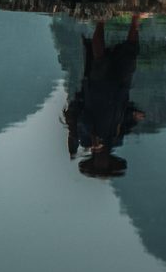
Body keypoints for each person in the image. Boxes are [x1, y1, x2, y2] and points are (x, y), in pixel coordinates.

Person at [62, 15, 146, 178]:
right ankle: (135, 20)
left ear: (94, 159)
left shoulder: (85, 140)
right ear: (109, 160)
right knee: (130, 55)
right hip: (119, 89)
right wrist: (134, 116)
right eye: (104, 163)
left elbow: (83, 118)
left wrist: (93, 134)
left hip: (97, 89)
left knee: (100, 59)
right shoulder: (116, 140)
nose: (102, 160)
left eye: (98, 163)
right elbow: (124, 120)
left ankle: (100, 20)